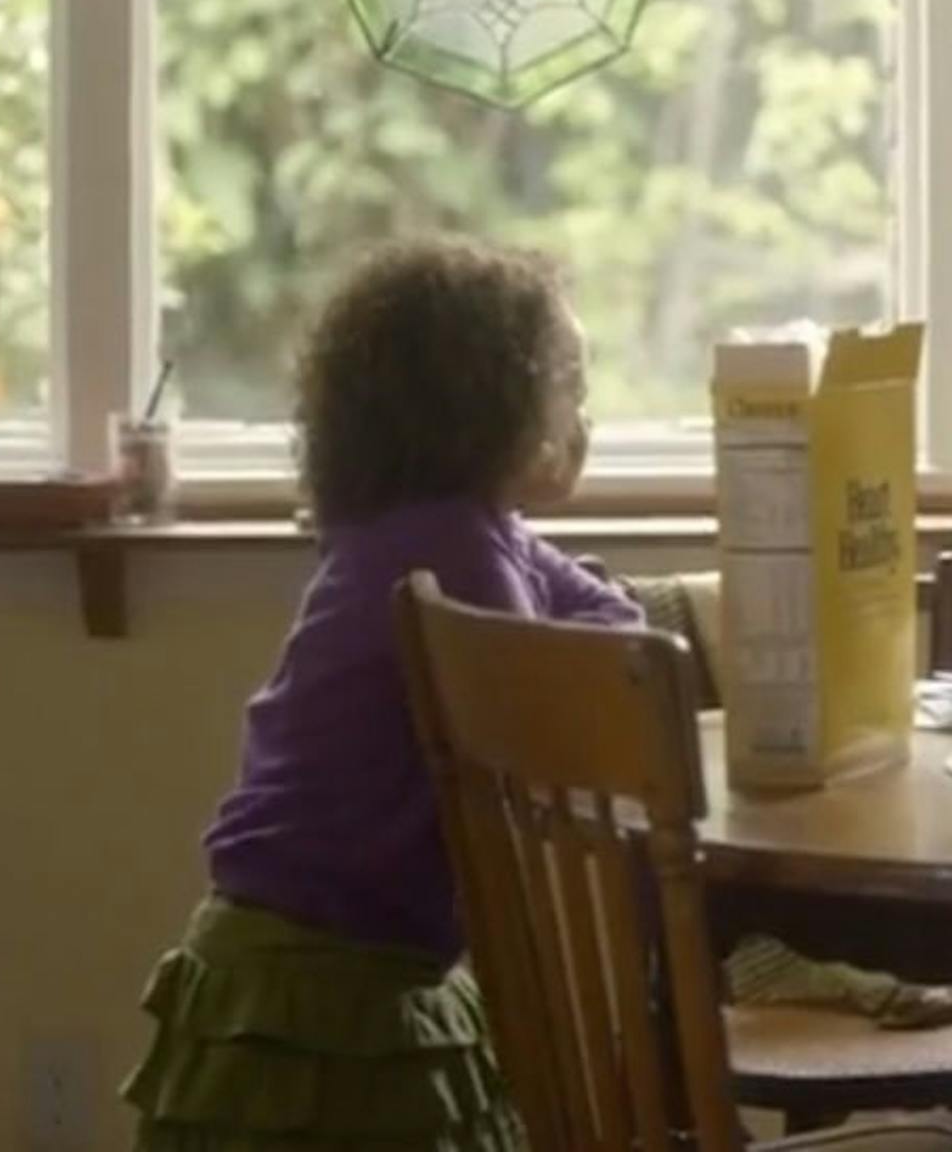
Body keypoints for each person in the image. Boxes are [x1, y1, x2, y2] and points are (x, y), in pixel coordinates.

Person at [121, 238, 628, 1150]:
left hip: (301, 947)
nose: (585, 427)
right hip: (324, 979)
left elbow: (606, 624)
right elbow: (561, 694)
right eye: (572, 397)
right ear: (491, 409)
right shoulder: (459, 556)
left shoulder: (453, 531)